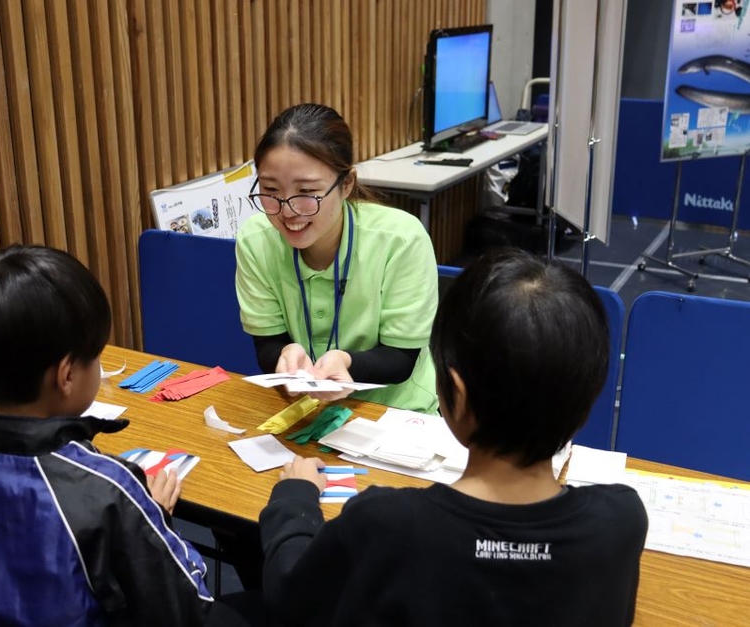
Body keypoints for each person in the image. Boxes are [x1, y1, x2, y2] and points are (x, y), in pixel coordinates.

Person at [259, 248, 648, 626]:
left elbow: (289, 597)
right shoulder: (620, 520)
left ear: (456, 395)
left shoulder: (384, 523)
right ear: (587, 397)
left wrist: (294, 499)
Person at [0, 245, 256, 626]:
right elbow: (186, 606)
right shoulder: (108, 490)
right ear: (66, 375)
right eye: (97, 355)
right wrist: (152, 520)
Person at [235, 103, 439, 413]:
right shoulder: (256, 240)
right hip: (308, 409)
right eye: (271, 190)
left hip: (395, 411)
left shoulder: (401, 240)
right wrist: (284, 355)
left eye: (306, 192)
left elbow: (401, 358)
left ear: (346, 184)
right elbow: (267, 344)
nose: (287, 211)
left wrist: (346, 362)